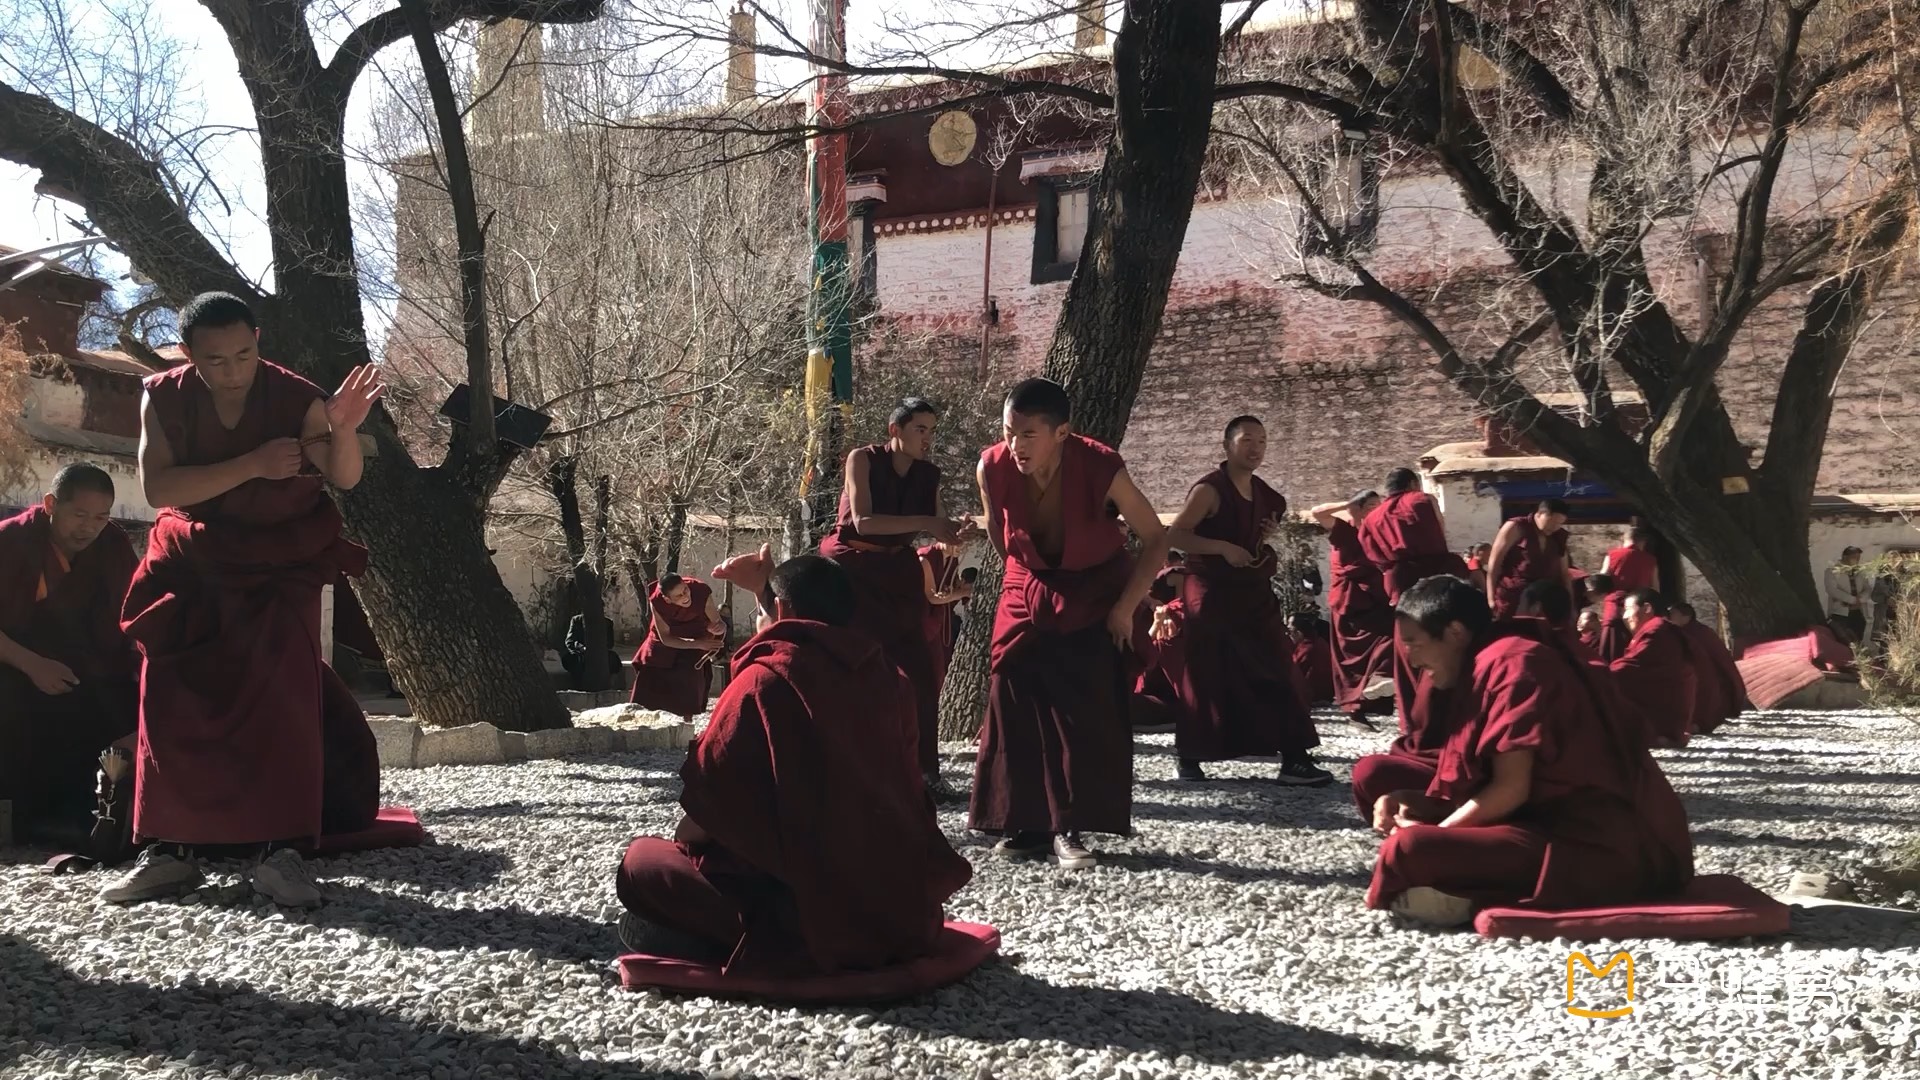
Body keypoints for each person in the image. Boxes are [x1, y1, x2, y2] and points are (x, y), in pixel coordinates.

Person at [103, 292, 384, 906]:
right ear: (188, 355)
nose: (233, 371)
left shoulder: (294, 396)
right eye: (216, 361)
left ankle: (279, 852)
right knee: (172, 702)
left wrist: (341, 430)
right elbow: (160, 487)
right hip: (191, 563)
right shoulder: (164, 396)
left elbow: (342, 477)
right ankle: (168, 849)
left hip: (275, 566)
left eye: (243, 355)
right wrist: (253, 463)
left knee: (279, 706)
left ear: (259, 340)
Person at [614, 553, 972, 974]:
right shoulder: (893, 680)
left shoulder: (761, 679)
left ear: (781, 610)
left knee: (641, 862)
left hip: (807, 915)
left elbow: (701, 822)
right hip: (899, 908)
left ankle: (747, 940)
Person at [1363, 576, 1694, 926]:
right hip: (1529, 818)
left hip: (1590, 842)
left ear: (1455, 632)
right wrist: (1416, 800)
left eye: (1414, 644)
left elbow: (1511, 788)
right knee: (1375, 781)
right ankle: (1459, 888)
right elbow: (1478, 776)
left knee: (1408, 849)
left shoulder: (1514, 664)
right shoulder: (1481, 661)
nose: (1412, 661)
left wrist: (1440, 829)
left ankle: (1465, 891)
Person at [969, 378, 1168, 870]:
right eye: (1009, 432)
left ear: (1062, 432)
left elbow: (1155, 537)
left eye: (1029, 434)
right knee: (1010, 694)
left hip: (1094, 587)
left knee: (1081, 703)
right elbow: (998, 528)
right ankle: (1025, 823)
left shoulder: (1100, 465)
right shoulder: (991, 466)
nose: (1015, 446)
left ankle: (1069, 827)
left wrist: (1124, 608)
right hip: (1029, 582)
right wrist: (1020, 582)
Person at [820, 398, 976, 793]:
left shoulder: (929, 474)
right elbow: (863, 520)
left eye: (932, 431)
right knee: (855, 668)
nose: (927, 439)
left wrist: (958, 531)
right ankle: (847, 766)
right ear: (895, 431)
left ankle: (926, 773)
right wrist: (928, 522)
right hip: (853, 571)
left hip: (899, 574)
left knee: (921, 673)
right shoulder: (863, 459)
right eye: (919, 429)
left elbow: (941, 526)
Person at [1165, 416, 1330, 785]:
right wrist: (1221, 547)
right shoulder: (1209, 490)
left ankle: (1294, 757)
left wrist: (1265, 535)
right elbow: (1175, 535)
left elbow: (1255, 536)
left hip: (1251, 591)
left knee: (1276, 663)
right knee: (1206, 671)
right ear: (1227, 446)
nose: (1255, 449)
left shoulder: (1268, 495)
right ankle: (1190, 755)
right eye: (1246, 441)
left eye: (1261, 441)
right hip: (1210, 590)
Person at [0, 463, 139, 845]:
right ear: (50, 504)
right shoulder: (11, 542)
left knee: (123, 704)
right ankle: (27, 818)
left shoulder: (111, 544)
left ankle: (100, 820)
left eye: (100, 517)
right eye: (79, 514)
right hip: (15, 667)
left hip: (89, 670)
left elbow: (135, 613)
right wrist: (32, 665)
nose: (89, 527)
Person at [1310, 492, 1395, 724]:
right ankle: (1354, 708)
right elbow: (1318, 512)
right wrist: (1347, 504)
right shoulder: (1344, 530)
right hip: (1349, 602)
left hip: (1375, 599)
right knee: (1349, 658)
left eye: (1378, 506)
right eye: (1370, 506)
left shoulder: (1378, 533)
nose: (1374, 511)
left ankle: (1379, 687)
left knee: (1394, 633)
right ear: (1355, 509)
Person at [1609, 589, 1698, 749]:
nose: (1624, 616)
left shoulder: (1656, 631)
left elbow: (1629, 667)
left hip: (1664, 715)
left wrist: (1595, 674)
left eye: (1628, 609)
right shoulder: (1658, 629)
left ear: (1647, 608)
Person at [629, 573, 724, 717]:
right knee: (648, 687)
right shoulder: (657, 601)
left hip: (694, 641)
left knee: (688, 684)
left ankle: (686, 726)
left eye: (685, 590)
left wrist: (717, 628)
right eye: (678, 596)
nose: (685, 597)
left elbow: (718, 623)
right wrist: (698, 644)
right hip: (662, 646)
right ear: (667, 599)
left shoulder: (700, 591)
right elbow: (666, 638)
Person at [1667, 603, 1749, 736]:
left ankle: (1699, 723)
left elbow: (1718, 657)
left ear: (1686, 616)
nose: (1669, 617)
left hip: (1706, 676)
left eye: (1673, 614)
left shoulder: (1700, 633)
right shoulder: (1680, 632)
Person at [1484, 499, 1571, 620]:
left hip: (1544, 600)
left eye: (1559, 524)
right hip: (1514, 596)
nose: (1555, 527)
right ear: (1539, 514)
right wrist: (1491, 599)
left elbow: (1564, 573)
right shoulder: (1516, 527)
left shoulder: (1558, 536)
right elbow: (1494, 564)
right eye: (1552, 522)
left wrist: (1570, 606)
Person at [918, 541, 972, 699]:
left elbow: (948, 591)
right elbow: (932, 596)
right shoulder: (925, 559)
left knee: (941, 668)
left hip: (940, 622)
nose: (961, 548)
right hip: (922, 622)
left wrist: (957, 590)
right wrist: (963, 593)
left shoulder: (952, 560)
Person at [562, 612, 622, 689]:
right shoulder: (577, 620)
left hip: (600, 652)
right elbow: (570, 641)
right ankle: (579, 686)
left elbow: (610, 643)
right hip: (581, 652)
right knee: (572, 660)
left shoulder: (607, 622)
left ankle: (609, 685)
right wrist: (581, 647)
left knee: (613, 659)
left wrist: (598, 647)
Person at [1289, 611, 1336, 706]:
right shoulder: (1321, 641)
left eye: (1291, 631)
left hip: (1313, 696)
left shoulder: (1306, 648)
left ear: (1299, 632)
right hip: (1327, 695)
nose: (1289, 635)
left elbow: (1291, 672)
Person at [1586, 571, 1631, 662]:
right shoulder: (1619, 598)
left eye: (1588, 589)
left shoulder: (1612, 605)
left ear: (1593, 590)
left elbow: (1611, 631)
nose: (1585, 593)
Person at [1826, 546, 1868, 643]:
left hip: (1857, 612)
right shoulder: (1832, 571)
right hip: (1840, 613)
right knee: (1842, 641)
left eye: (1858, 558)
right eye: (1854, 557)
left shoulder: (1860, 572)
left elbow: (1867, 588)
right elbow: (1832, 590)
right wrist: (1852, 600)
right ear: (1845, 557)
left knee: (1857, 640)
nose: (1857, 560)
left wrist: (1860, 599)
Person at [1601, 526, 1661, 594]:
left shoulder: (1611, 555)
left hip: (1614, 601)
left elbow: (1601, 581)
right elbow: (1655, 587)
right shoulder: (1651, 560)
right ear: (1643, 541)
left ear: (1624, 539)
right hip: (1639, 601)